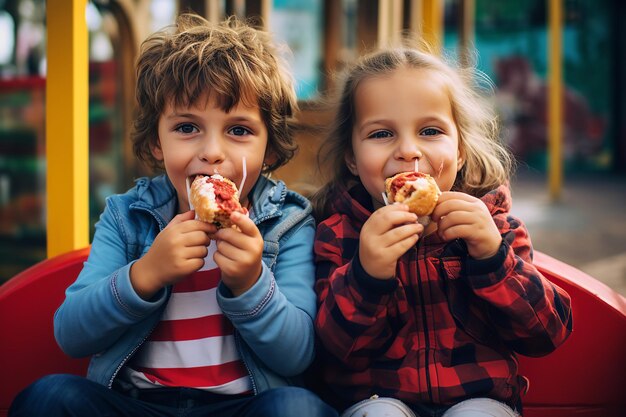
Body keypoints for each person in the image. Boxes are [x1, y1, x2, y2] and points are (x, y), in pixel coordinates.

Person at [10, 14, 336, 417]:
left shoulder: (288, 222)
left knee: (298, 408)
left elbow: (297, 355)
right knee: (49, 398)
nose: (212, 151)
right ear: (156, 142)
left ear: (269, 150)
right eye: (187, 127)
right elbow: (71, 334)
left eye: (238, 131)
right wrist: (146, 274)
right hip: (139, 404)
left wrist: (251, 283)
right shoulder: (128, 215)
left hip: (241, 407)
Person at [311, 45, 573, 417]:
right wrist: (366, 275)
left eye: (430, 131)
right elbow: (334, 352)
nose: (408, 151)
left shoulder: (495, 225)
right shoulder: (338, 234)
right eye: (382, 133)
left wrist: (492, 257)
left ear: (461, 150)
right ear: (352, 158)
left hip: (480, 400)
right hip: (375, 401)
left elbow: (547, 332)